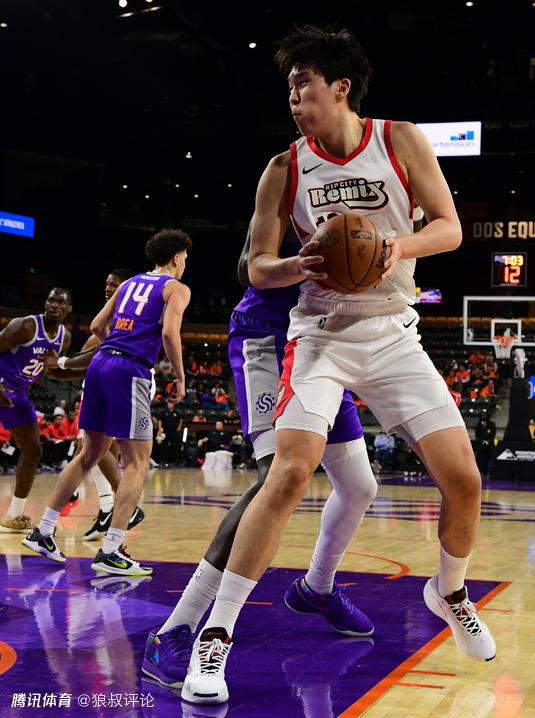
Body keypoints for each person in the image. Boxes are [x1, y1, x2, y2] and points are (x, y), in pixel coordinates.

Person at [179, 26, 495, 706]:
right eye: (289, 89)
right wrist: (298, 263)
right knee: (290, 471)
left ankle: (448, 592)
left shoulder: (400, 139)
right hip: (320, 333)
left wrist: (396, 246)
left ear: (341, 87)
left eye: (304, 85)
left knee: (465, 480)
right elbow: (257, 267)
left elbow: (449, 228)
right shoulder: (283, 168)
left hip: (393, 333)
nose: (294, 100)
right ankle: (215, 636)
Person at [142, 221, 378, 696]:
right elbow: (247, 268)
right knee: (277, 477)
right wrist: (310, 262)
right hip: (269, 335)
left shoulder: (371, 197)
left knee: (359, 486)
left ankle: (318, 587)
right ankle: (175, 629)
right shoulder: (289, 188)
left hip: (326, 344)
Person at [23, 229, 192, 575]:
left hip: (100, 365)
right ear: (176, 258)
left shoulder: (128, 284)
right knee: (138, 463)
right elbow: (169, 333)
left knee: (90, 454)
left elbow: (98, 326)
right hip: (129, 370)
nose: (185, 263)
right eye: (186, 258)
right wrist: (180, 376)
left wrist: (118, 343)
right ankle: (112, 550)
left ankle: (44, 530)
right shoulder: (176, 288)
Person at [42, 269, 145, 542]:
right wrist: (58, 370)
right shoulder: (115, 316)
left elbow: (95, 350)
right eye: (107, 284)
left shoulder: (124, 318)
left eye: (114, 284)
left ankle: (113, 507)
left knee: (92, 449)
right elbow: (89, 359)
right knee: (97, 450)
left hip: (121, 380)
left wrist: (61, 363)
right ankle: (108, 508)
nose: (108, 288)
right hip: (114, 380)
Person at [0, 288, 73, 532]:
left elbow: (54, 372)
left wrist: (84, 370)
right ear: (45, 303)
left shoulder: (64, 338)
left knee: (33, 452)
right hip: (1, 384)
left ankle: (14, 516)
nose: (55, 305)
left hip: (16, 393)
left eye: (60, 302)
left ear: (68, 309)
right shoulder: (25, 326)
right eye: (51, 300)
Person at [474, 410, 496, 478]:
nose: (483, 416)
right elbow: (477, 435)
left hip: (490, 446)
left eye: (485, 415)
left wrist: (488, 441)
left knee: (491, 459)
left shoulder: (492, 424)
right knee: (482, 460)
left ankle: (492, 473)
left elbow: (493, 434)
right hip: (481, 447)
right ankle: (483, 473)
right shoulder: (478, 426)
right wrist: (482, 441)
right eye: (482, 415)